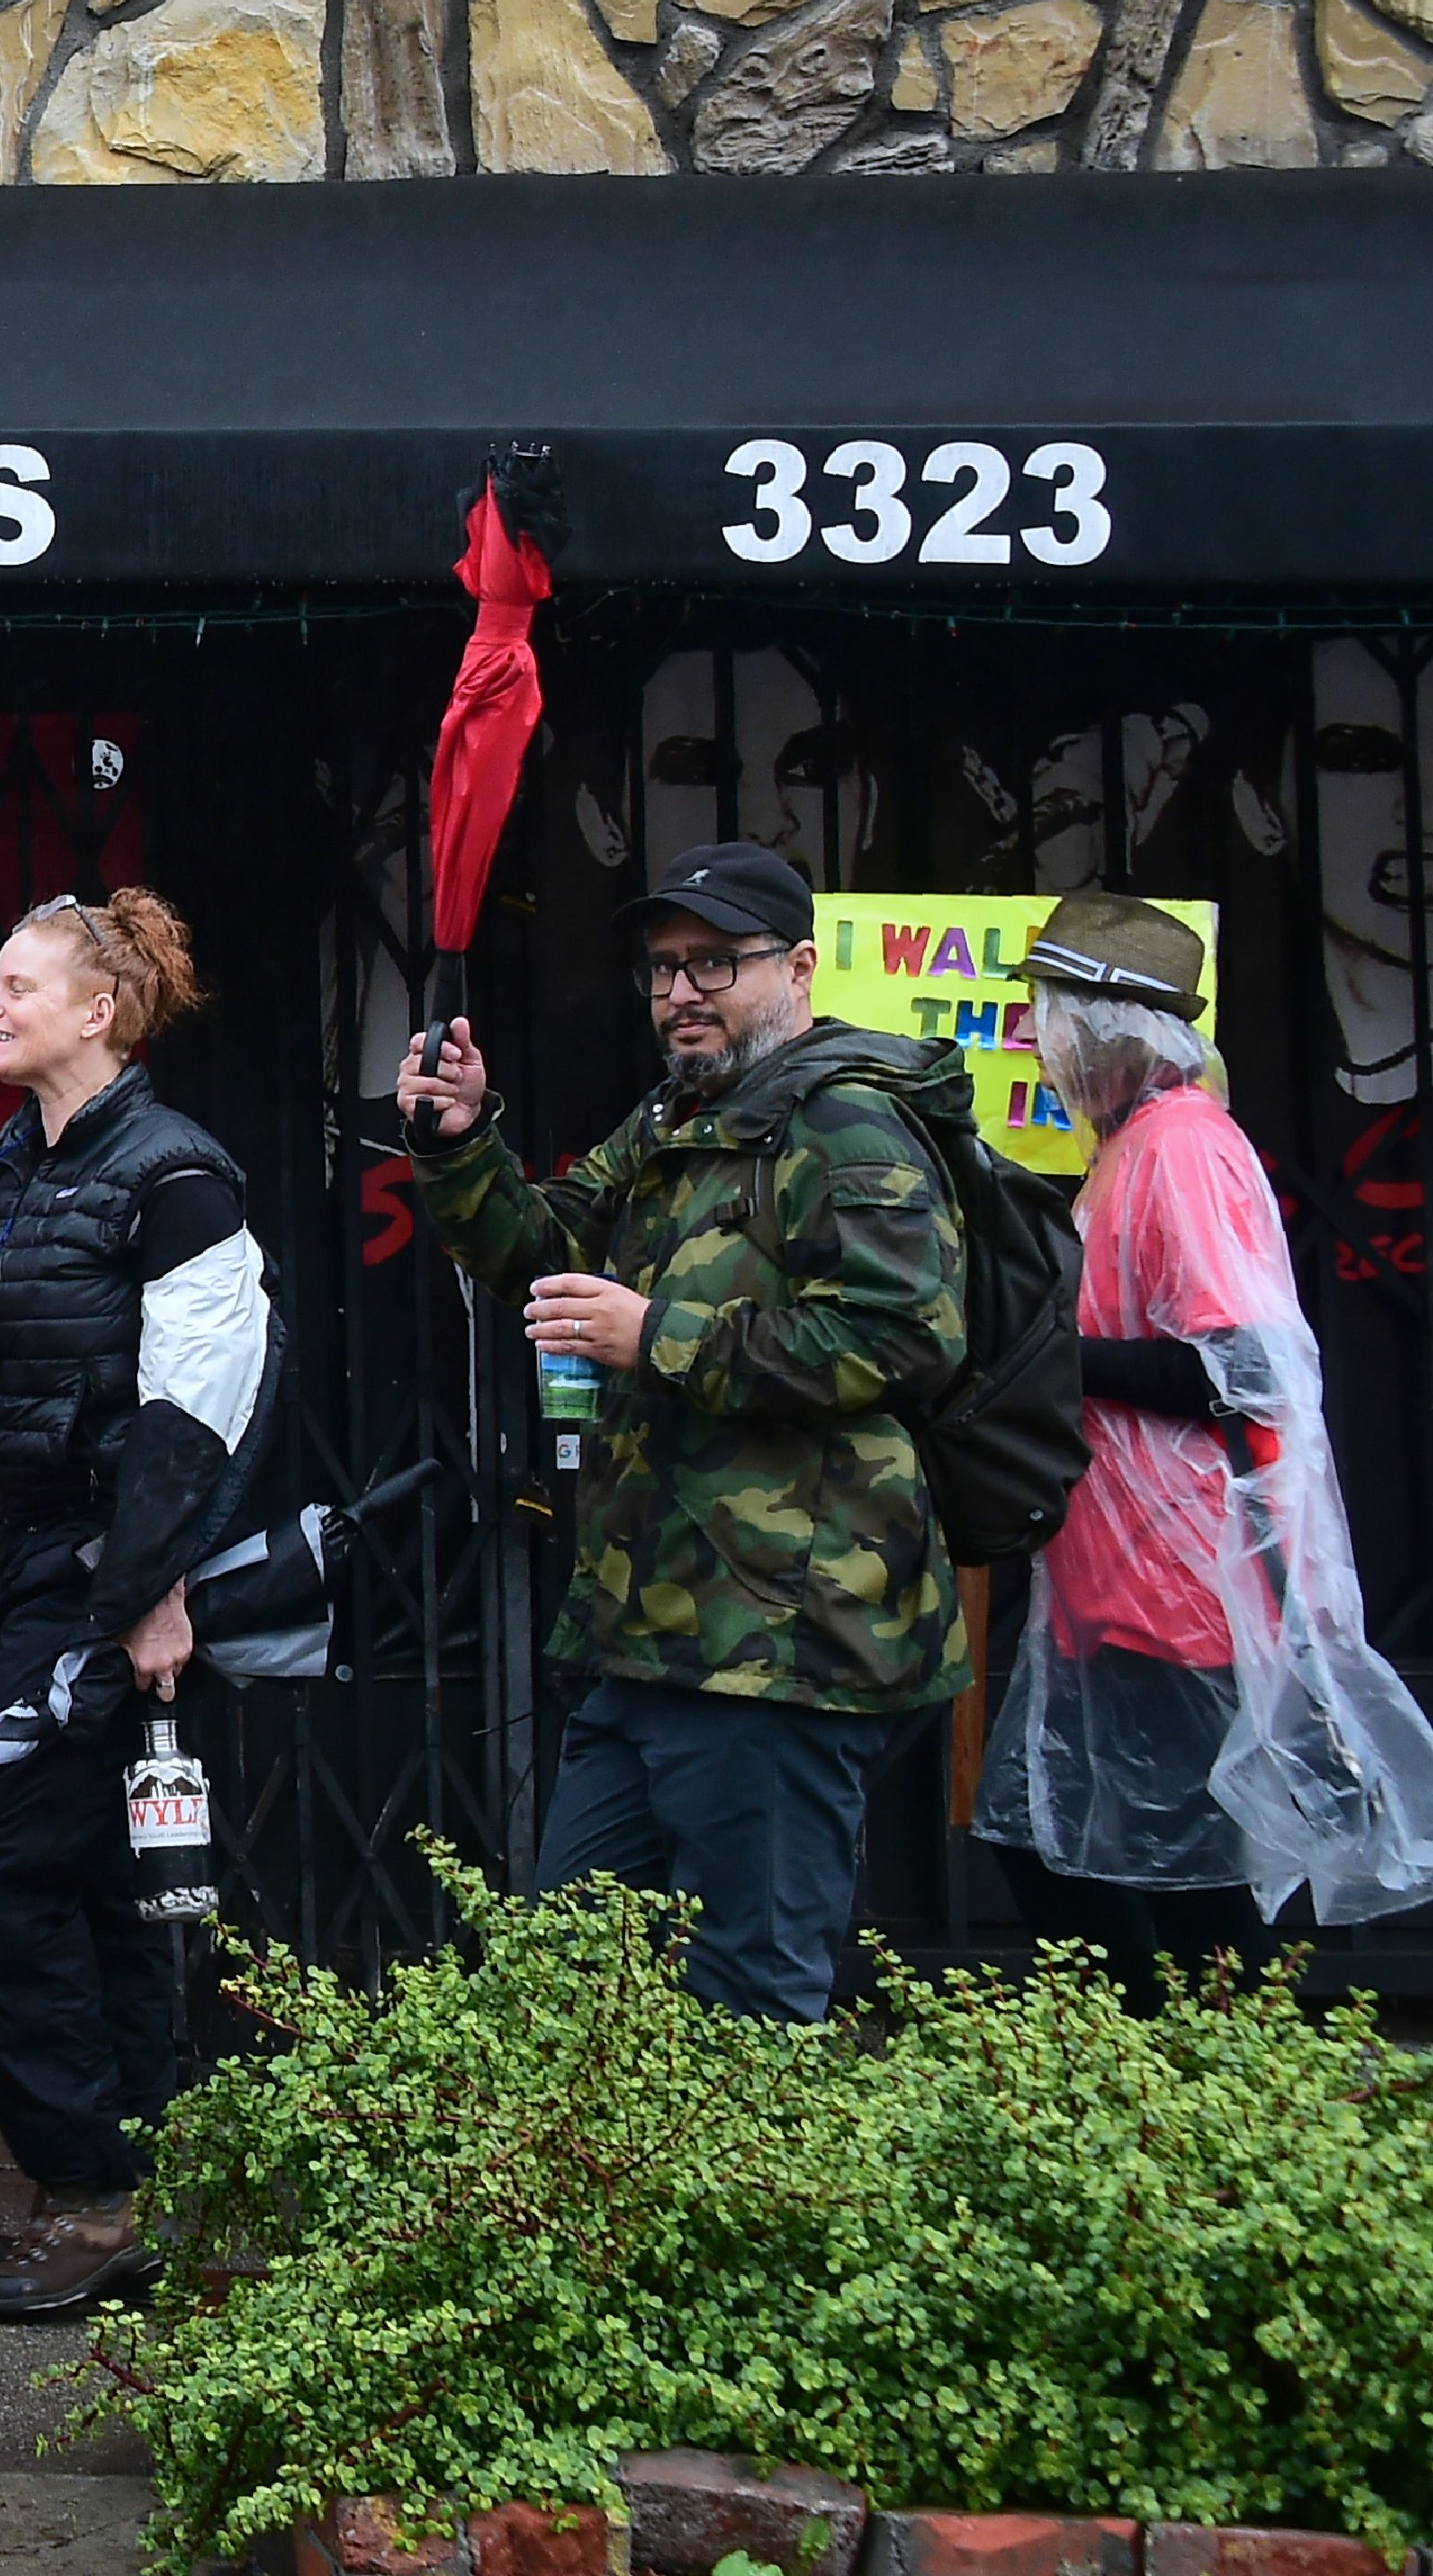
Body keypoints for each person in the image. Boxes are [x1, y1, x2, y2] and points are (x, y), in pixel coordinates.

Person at [396, 839, 971, 2024]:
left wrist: (656, 1331)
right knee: (568, 1986)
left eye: (716, 962)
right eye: (662, 969)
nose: (681, 992)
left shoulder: (848, 1120)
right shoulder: (675, 1121)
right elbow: (547, 1256)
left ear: (800, 967)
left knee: (751, 1997)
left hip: (779, 1647)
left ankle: (758, 2213)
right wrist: (460, 1141)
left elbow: (905, 1339)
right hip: (644, 1637)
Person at [0, 887, 270, 2323]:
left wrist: (151, 1590)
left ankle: (92, 2186)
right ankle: (134, 2190)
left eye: (15, 983)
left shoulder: (178, 1174)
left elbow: (201, 1401)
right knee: (99, 1879)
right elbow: (28, 1353)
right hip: (24, 1564)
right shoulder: (10, 1166)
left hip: (105, 1582)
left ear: (98, 1011)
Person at [976, 891, 1433, 1989]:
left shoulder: (1182, 1147)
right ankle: (1175, 2079)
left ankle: (1215, 2092)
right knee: (1057, 1840)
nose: (1028, 1039)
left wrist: (1043, 1361)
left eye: (1043, 1011)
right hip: (1116, 1580)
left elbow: (1244, 1368)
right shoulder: (1132, 1148)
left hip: (1174, 1588)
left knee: (1181, 1884)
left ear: (1103, 1024)